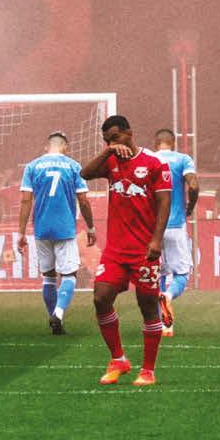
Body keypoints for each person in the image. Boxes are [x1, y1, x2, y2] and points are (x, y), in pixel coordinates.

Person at [80, 113, 171, 387]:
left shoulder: (154, 163)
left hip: (144, 249)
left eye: (115, 137)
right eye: (107, 140)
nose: (112, 143)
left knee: (147, 306)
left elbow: (164, 203)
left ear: (129, 133)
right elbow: (84, 174)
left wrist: (156, 241)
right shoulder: (110, 161)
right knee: (101, 297)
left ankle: (148, 370)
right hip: (116, 251)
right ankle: (118, 359)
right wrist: (107, 151)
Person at [14, 131, 96, 334]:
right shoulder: (74, 166)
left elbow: (25, 200)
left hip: (41, 227)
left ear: (46, 147)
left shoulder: (32, 166)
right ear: (65, 147)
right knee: (69, 274)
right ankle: (58, 314)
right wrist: (91, 227)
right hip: (64, 227)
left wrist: (21, 233)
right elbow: (83, 201)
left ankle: (54, 320)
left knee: (49, 276)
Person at [153, 128, 199, 336]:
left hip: (153, 227)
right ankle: (169, 296)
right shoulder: (183, 159)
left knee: (158, 272)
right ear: (173, 144)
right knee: (182, 273)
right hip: (175, 224)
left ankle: (162, 323)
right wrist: (190, 206)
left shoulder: (148, 159)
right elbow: (194, 186)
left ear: (156, 144)